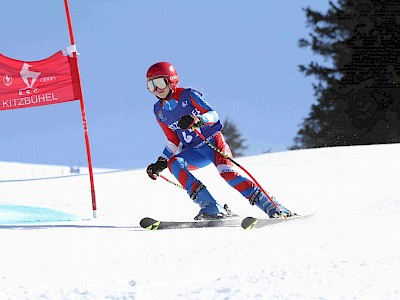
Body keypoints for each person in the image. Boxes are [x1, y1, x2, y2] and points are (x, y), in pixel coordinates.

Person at [145, 62, 293, 220]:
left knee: (227, 174)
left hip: (213, 143)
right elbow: (173, 140)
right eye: (151, 85)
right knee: (174, 163)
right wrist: (161, 161)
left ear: (172, 80)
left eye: (160, 82)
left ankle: (273, 207)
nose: (157, 88)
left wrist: (198, 120)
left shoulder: (188, 95)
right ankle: (211, 207)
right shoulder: (159, 111)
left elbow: (213, 114)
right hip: (195, 152)